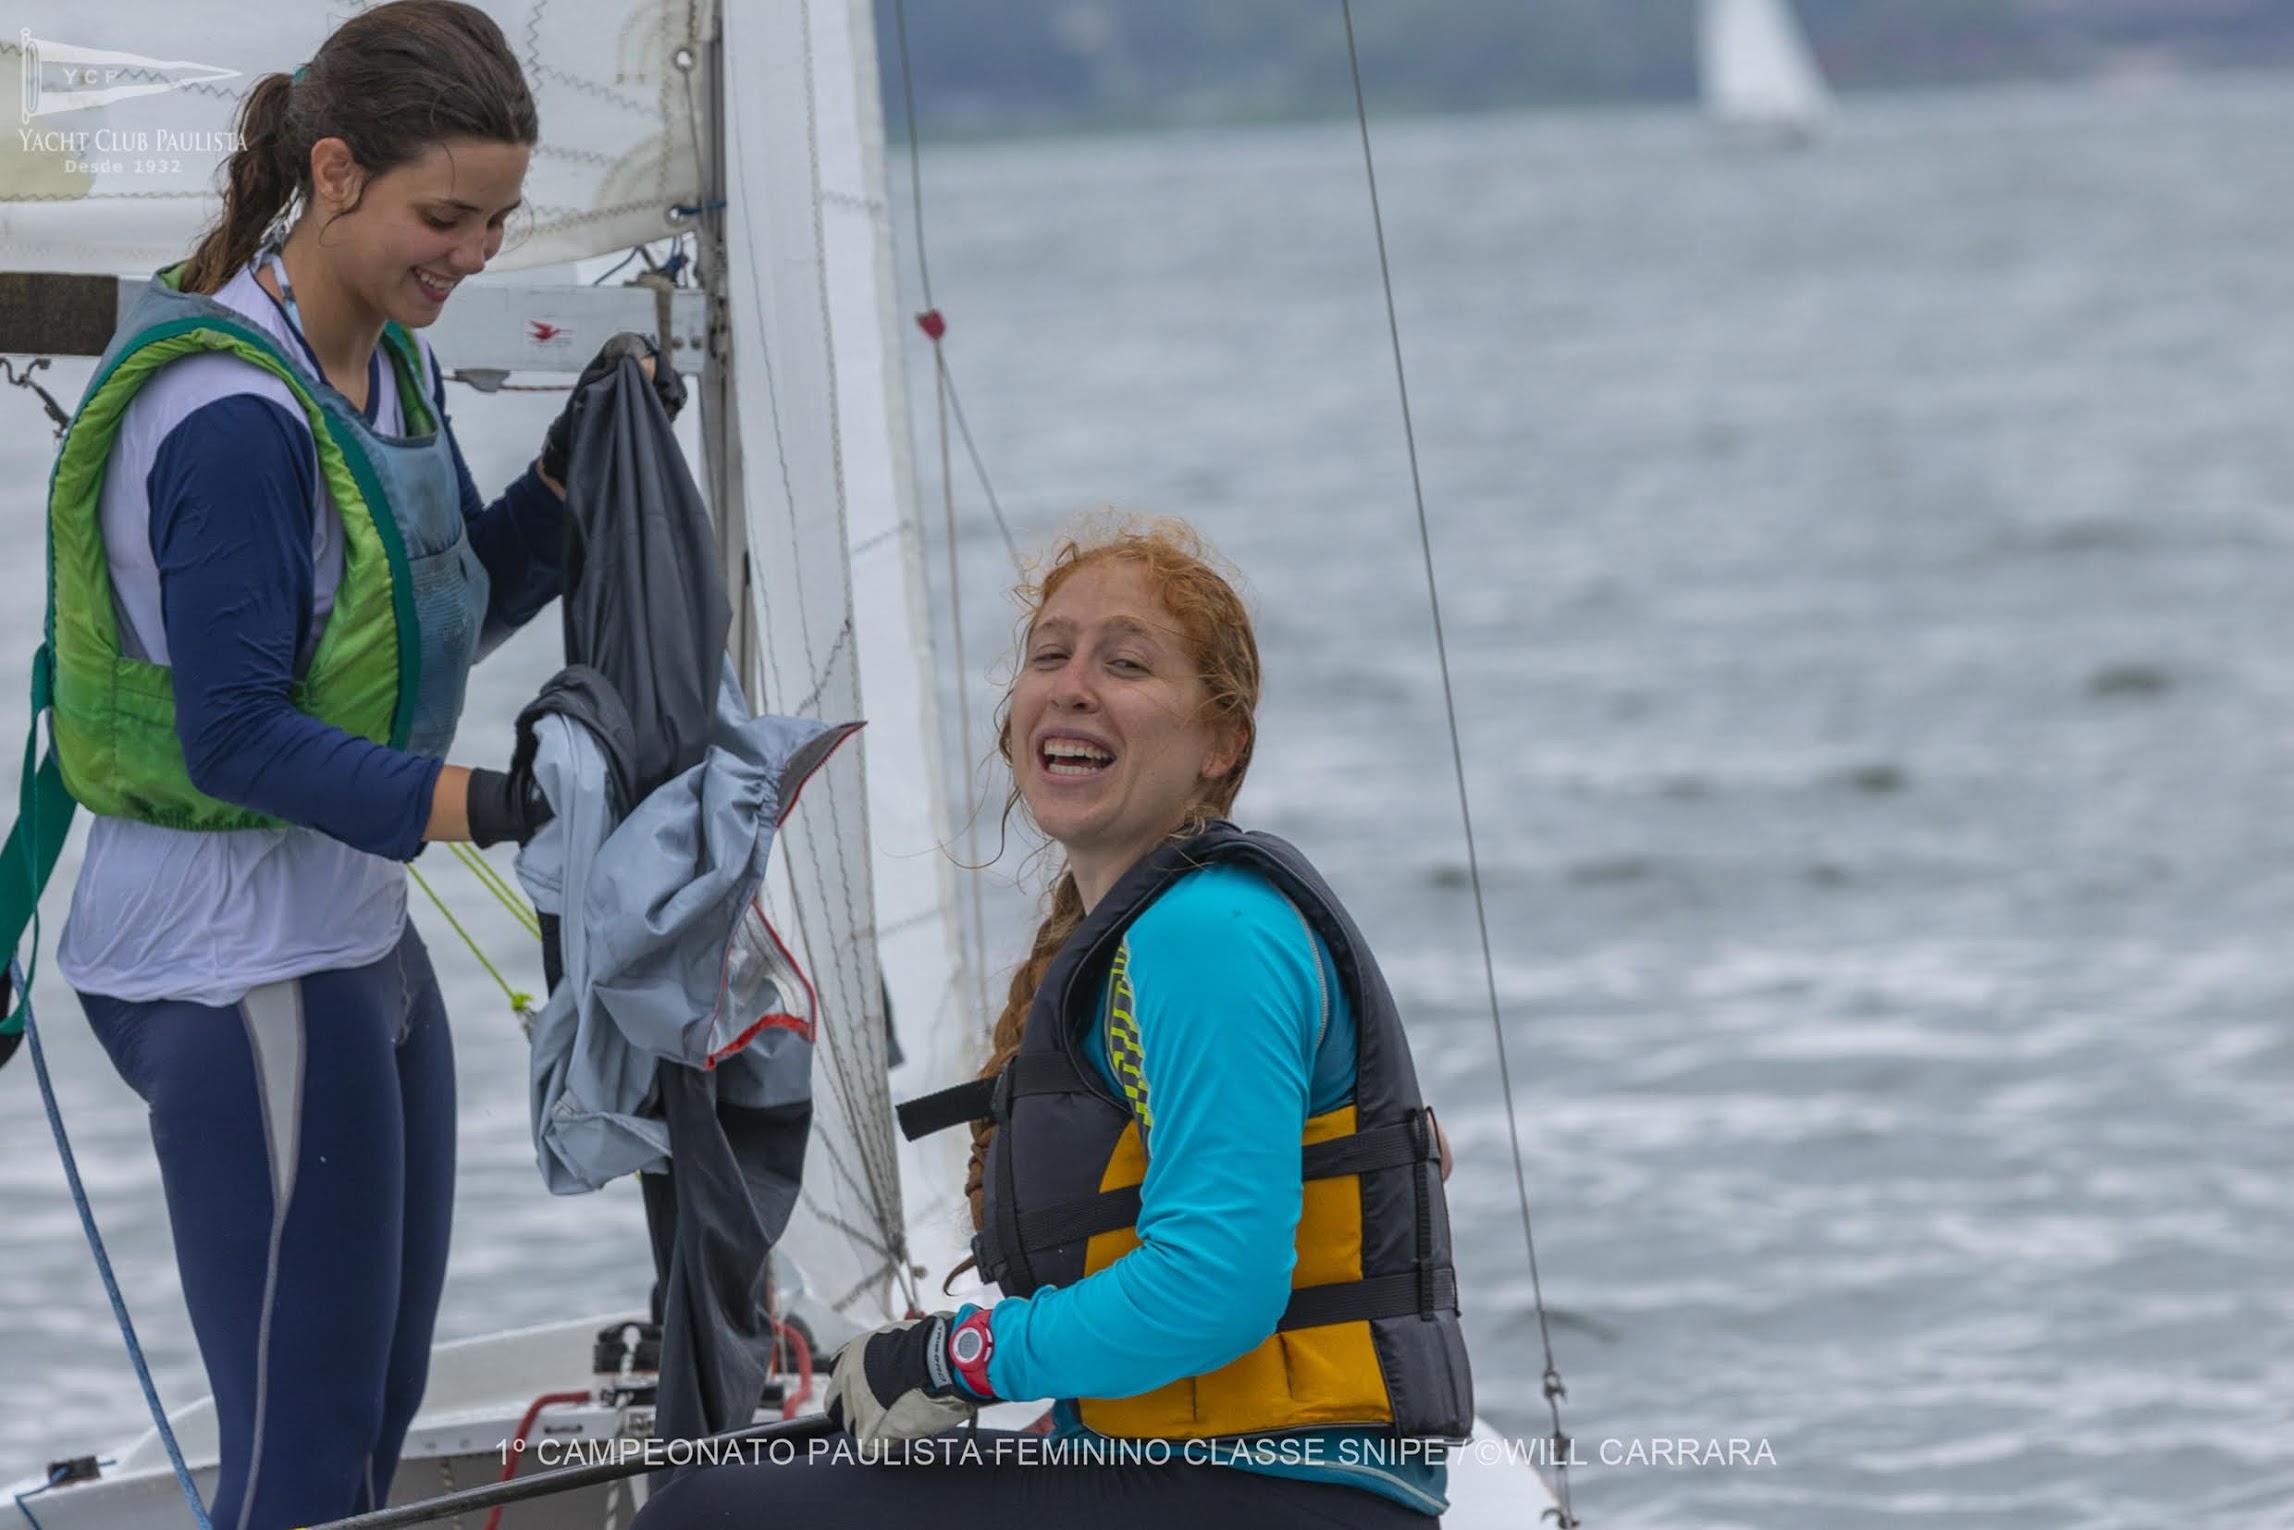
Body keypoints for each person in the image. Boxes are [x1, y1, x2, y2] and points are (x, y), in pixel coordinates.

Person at [30, 5, 680, 1526]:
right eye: (444, 218)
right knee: (304, 1465)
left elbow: (444, 616)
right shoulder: (232, 422)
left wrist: (573, 479)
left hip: (349, 940)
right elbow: (237, 734)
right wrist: (498, 807)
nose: (473, 254)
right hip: (225, 963)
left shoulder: (389, 365)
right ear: (333, 174)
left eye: (497, 222)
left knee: (372, 1430)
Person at [633, 519, 1473, 1528]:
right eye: (1049, 655)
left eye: (1125, 663)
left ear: (1221, 744)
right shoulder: (1152, 935)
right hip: (1208, 1469)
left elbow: (1216, 1287)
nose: (1072, 686)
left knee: (702, 1517)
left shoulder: (1208, 934)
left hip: (1280, 1489)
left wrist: (956, 1356)